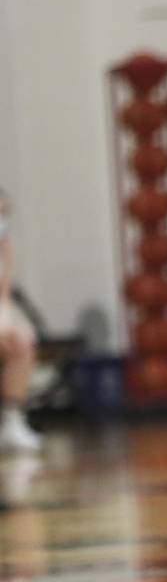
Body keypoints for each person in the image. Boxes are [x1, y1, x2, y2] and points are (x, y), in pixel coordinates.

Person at [0, 188, 41, 453]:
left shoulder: (5, 248)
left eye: (4, 213)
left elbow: (3, 298)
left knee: (22, 337)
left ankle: (12, 422)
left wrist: (5, 324)